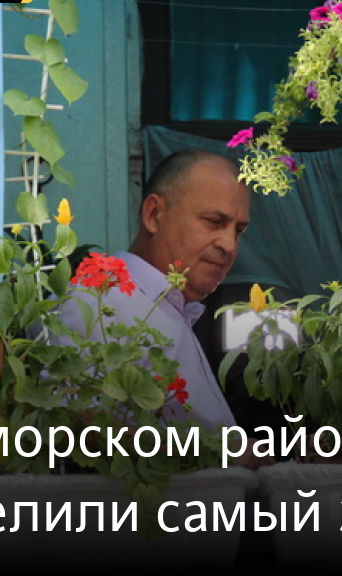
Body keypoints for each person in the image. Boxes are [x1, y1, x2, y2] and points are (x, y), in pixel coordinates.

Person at [56, 149, 269, 469]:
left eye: (238, 231)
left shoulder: (169, 307)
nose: (229, 245)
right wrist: (215, 453)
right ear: (154, 214)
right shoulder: (100, 298)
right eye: (214, 222)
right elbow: (70, 423)